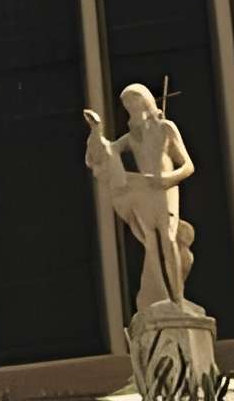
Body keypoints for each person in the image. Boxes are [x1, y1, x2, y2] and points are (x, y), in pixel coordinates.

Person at [83, 83, 197, 312]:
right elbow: (106, 153)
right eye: (126, 105)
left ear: (145, 102)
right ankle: (164, 296)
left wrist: (168, 179)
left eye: (133, 102)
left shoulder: (166, 128)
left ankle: (179, 298)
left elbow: (188, 166)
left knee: (168, 238)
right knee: (151, 242)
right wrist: (96, 130)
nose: (130, 108)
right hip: (145, 189)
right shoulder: (131, 138)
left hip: (165, 188)